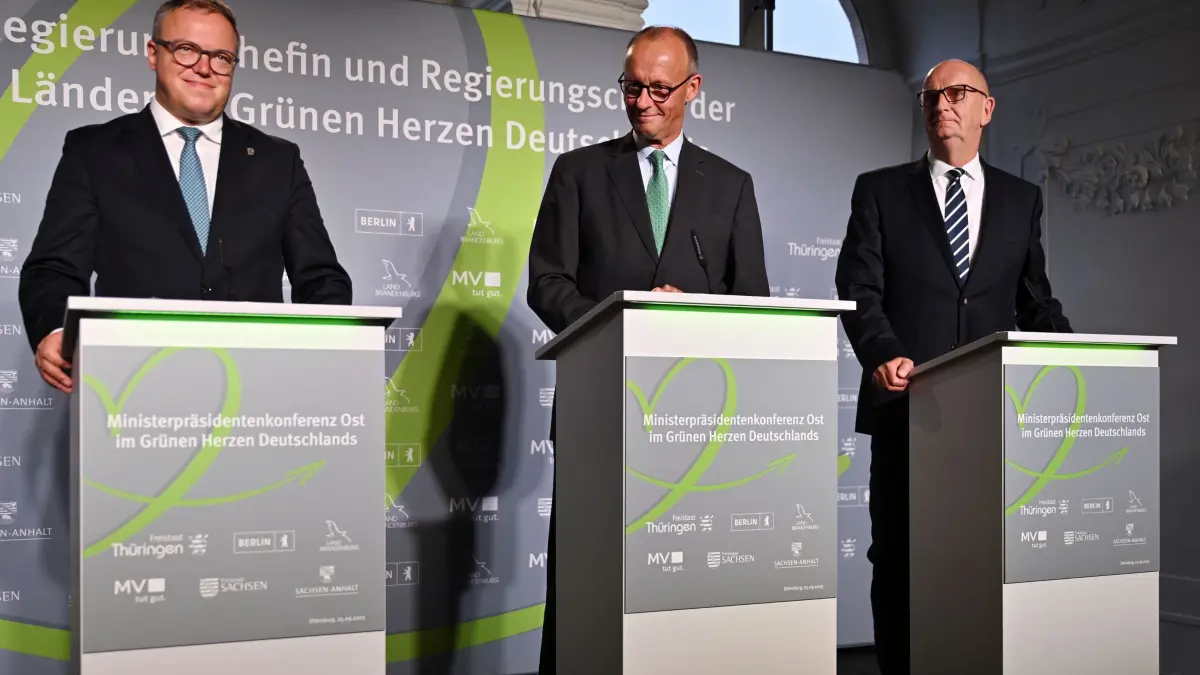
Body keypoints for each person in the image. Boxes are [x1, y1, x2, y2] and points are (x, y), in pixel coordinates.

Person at [526, 25, 769, 675]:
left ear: (694, 88)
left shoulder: (731, 185)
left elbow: (753, 303)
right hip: (599, 410)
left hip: (698, 420)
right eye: (632, 86)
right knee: (587, 573)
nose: (642, 101)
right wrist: (620, 316)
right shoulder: (578, 172)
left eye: (659, 87)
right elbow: (546, 281)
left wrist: (688, 318)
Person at [834, 59, 1072, 675]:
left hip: (991, 416)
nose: (944, 104)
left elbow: (1034, 300)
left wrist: (1079, 358)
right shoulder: (880, 190)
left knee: (981, 558)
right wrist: (883, 351)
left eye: (959, 94)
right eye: (933, 95)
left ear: (986, 109)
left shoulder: (1023, 200)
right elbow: (860, 287)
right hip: (906, 411)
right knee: (900, 559)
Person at [19, 0, 352, 394]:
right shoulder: (94, 150)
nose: (204, 67)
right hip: (130, 387)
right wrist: (56, 330)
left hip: (258, 390)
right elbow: (54, 267)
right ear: (153, 54)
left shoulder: (279, 160)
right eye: (187, 49)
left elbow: (320, 278)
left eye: (222, 56)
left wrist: (332, 350)